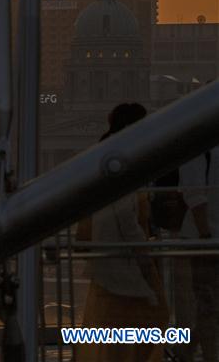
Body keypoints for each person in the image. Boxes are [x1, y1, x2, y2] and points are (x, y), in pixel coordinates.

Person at [76, 103, 168, 362]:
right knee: (152, 320)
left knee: (112, 328)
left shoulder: (105, 156)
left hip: (107, 264)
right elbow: (127, 221)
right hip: (125, 264)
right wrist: (145, 259)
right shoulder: (121, 161)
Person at [177, 142, 218, 362]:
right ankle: (208, 355)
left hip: (206, 236)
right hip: (204, 238)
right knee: (208, 304)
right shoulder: (200, 147)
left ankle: (188, 348)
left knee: (209, 305)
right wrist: (204, 236)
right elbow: (194, 195)